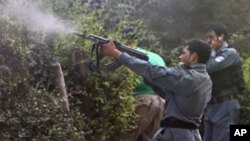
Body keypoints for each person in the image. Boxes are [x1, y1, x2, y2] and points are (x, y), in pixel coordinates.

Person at [100, 39, 212, 141]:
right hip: (187, 134)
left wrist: (116, 53)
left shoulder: (189, 77)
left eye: (184, 53)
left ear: (194, 57)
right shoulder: (206, 80)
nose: (180, 57)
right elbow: (168, 94)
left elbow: (153, 71)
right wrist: (148, 77)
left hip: (177, 133)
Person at [203, 23, 245, 141]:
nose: (208, 41)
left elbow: (209, 67)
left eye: (211, 37)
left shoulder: (230, 53)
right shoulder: (212, 55)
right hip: (211, 106)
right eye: (207, 37)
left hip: (225, 105)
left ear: (221, 37)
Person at [124, 48, 166, 141]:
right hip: (161, 102)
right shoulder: (156, 57)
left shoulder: (128, 55)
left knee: (127, 136)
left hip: (143, 101)